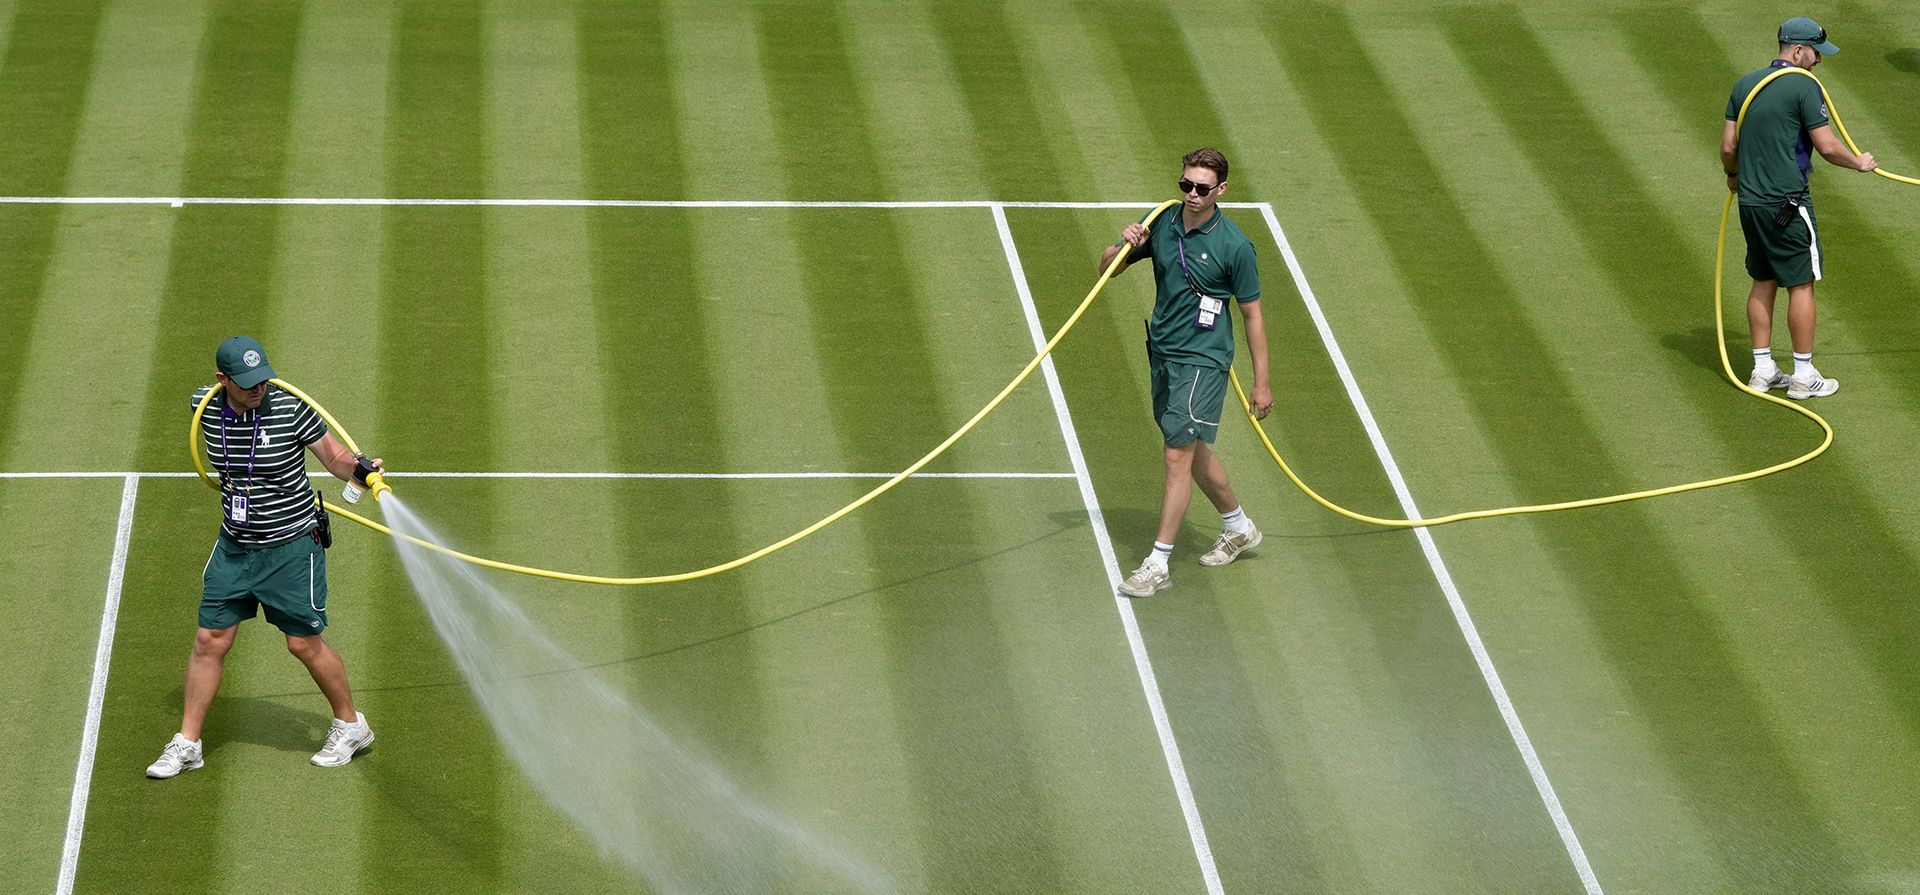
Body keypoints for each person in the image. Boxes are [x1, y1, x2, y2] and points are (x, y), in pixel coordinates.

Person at [147, 336, 382, 778]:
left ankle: (351, 725)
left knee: (302, 644)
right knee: (209, 640)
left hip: (291, 548)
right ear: (223, 380)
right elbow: (199, 402)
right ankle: (188, 743)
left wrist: (362, 471)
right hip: (235, 547)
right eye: (248, 383)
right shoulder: (205, 405)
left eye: (263, 381)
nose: (259, 390)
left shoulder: (292, 408)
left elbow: (334, 457)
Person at [1099, 148, 1272, 598]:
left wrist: (1261, 382)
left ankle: (1156, 564)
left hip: (1204, 362)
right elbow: (1106, 271)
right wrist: (1124, 244)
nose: (1192, 194)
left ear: (1221, 190)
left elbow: (1253, 315)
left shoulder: (1235, 246)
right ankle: (1238, 527)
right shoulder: (1161, 222)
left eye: (1202, 188)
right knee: (1191, 452)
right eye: (1186, 185)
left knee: (1176, 455)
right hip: (1162, 354)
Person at [1722, 16, 1876, 400]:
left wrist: (1732, 175)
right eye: (1816, 54)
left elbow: (1728, 147)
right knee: (1801, 283)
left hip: (1751, 202)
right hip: (1788, 203)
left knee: (1763, 279)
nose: (1819, 62)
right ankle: (1804, 376)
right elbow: (1826, 146)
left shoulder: (1745, 83)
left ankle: (1762, 371)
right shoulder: (1805, 86)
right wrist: (1858, 163)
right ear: (1797, 50)